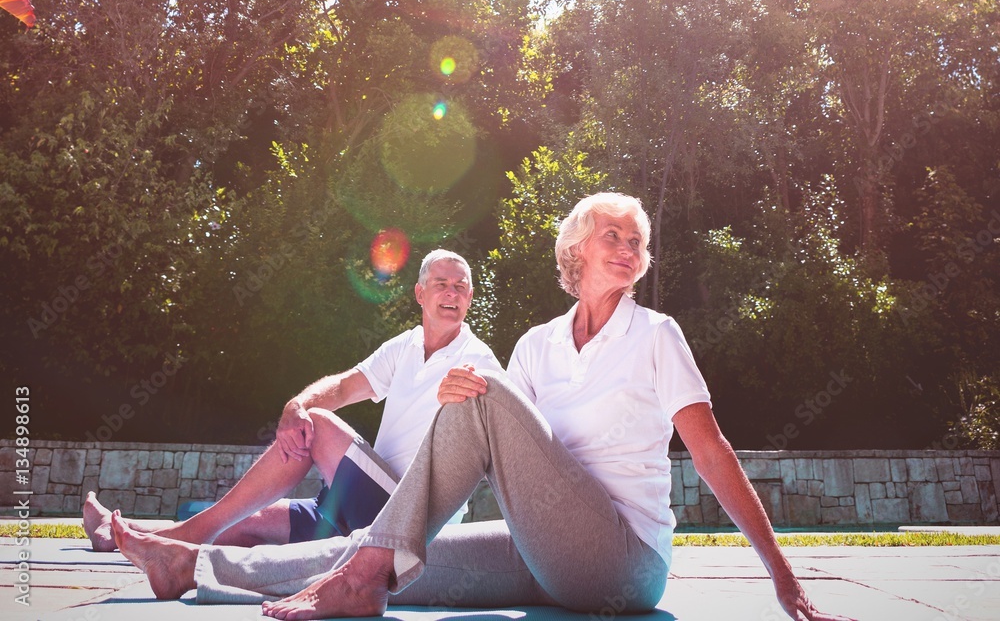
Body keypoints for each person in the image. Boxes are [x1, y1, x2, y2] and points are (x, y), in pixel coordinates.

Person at [111, 193, 855, 621]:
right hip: (545, 551)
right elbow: (504, 451)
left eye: (638, 240)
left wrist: (782, 577)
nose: (629, 247)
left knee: (466, 411)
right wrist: (458, 415)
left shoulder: (656, 335)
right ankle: (192, 564)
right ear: (577, 254)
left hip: (622, 567)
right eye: (612, 237)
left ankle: (362, 579)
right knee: (389, 559)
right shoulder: (535, 345)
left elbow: (712, 452)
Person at [85, 249, 501, 552]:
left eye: (461, 287)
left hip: (408, 515)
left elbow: (499, 438)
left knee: (317, 425)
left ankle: (184, 537)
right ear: (419, 293)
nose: (452, 293)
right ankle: (122, 534)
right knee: (247, 523)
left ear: (469, 297)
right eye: (441, 284)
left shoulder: (478, 360)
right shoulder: (405, 346)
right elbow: (341, 387)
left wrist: (307, 417)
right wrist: (295, 406)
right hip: (361, 501)